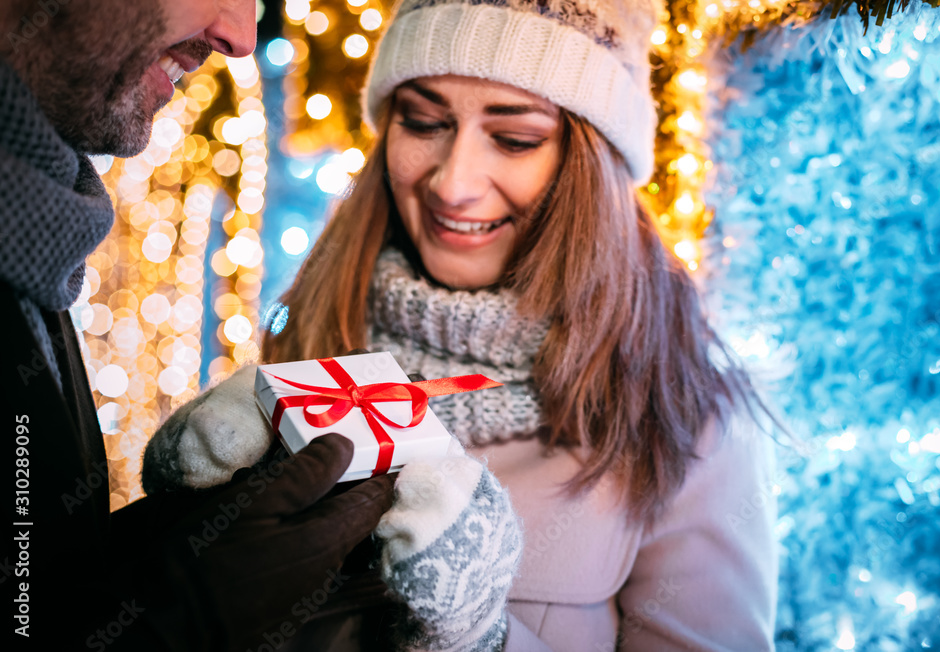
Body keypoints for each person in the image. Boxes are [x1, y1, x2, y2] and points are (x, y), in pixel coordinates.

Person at [144, 0, 781, 649]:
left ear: (590, 163)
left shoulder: (687, 419)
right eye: (423, 121)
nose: (453, 185)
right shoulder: (314, 336)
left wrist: (483, 638)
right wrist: (172, 534)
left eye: (515, 139)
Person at [0, 1, 399, 650]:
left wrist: (178, 543)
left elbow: (32, 579)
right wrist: (179, 617)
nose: (240, 39)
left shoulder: (38, 221)